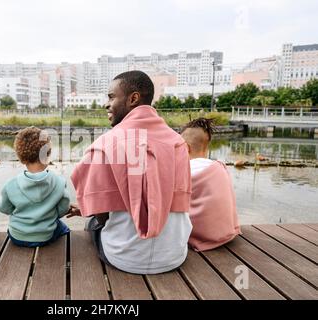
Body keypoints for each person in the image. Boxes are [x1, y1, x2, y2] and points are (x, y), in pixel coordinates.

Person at [68, 70, 192, 274]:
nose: (106, 104)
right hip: (175, 256)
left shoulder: (106, 144)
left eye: (111, 97)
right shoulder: (178, 142)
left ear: (133, 98)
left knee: (92, 223)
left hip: (124, 259)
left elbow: (102, 217)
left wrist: (92, 209)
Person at [0, 126, 71, 247]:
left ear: (21, 158)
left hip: (17, 236)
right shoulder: (59, 182)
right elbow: (63, 208)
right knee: (63, 228)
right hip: (46, 236)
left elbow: (3, 208)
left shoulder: (11, 185)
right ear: (47, 155)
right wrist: (50, 214)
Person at [180, 117, 241, 251]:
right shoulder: (220, 167)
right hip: (227, 233)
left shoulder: (184, 171)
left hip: (202, 238)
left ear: (185, 147)